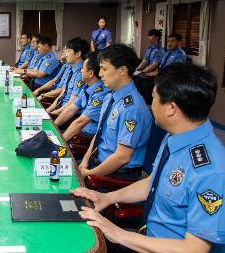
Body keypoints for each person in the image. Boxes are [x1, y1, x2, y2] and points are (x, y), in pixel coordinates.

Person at [73, 63, 224, 253]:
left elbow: (195, 248)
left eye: (153, 98)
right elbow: (153, 182)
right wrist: (107, 197)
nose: (150, 105)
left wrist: (118, 234)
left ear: (171, 108)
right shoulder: (175, 136)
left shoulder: (211, 171)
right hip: (146, 238)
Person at [79, 44, 152, 180]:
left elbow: (121, 157)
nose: (100, 74)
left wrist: (89, 174)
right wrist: (84, 163)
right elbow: (99, 134)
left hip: (116, 176)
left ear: (122, 70)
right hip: (96, 164)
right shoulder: (110, 97)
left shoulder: (131, 108)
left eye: (104, 69)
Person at [54, 52, 110, 142]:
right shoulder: (87, 86)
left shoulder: (101, 93)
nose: (81, 70)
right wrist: (53, 126)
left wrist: (59, 143)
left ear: (91, 73)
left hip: (87, 137)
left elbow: (81, 122)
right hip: (79, 131)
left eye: (83, 68)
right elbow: (71, 109)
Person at [43, 37, 90, 115]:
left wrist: (53, 113)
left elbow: (72, 102)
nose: (66, 54)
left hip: (68, 114)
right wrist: (49, 110)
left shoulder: (81, 73)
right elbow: (63, 93)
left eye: (68, 51)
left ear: (78, 54)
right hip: (60, 108)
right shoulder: (72, 69)